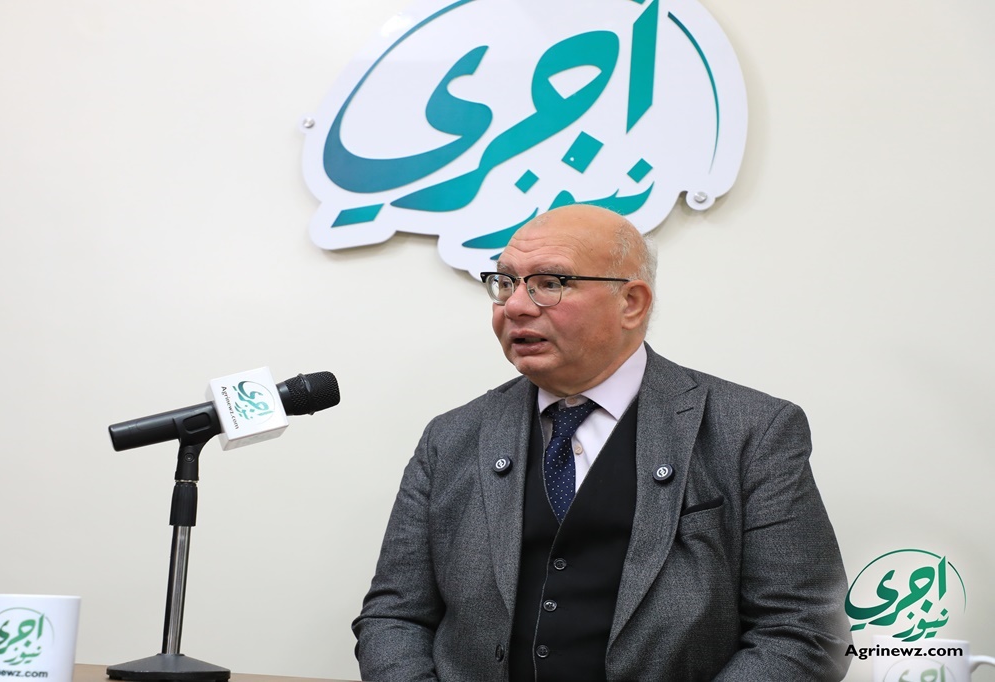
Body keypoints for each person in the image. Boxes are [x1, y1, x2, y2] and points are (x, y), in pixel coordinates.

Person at [352, 204, 851, 681]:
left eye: (550, 283)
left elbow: (804, 629)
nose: (516, 306)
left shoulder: (753, 430)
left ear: (631, 303)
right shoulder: (451, 437)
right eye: (505, 283)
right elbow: (395, 617)